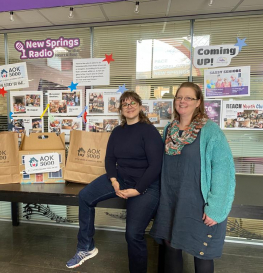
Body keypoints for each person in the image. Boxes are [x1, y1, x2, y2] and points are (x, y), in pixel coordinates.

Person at [66, 91, 163, 272]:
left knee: (133, 234)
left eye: (133, 103)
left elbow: (156, 165)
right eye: (125, 104)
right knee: (85, 196)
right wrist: (114, 180)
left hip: (147, 185)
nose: (129, 106)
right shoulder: (118, 131)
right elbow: (110, 159)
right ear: (121, 109)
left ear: (140, 106)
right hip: (121, 178)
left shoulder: (149, 131)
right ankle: (86, 247)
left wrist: (138, 190)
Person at [150, 82, 235, 273]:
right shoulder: (169, 130)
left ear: (198, 103)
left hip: (199, 204)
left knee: (201, 251)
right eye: (179, 97)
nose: (182, 101)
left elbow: (223, 170)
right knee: (171, 247)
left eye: (189, 98)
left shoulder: (210, 131)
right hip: (171, 201)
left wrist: (216, 208)